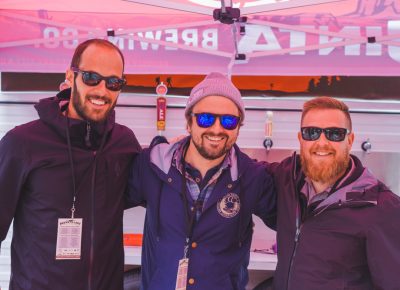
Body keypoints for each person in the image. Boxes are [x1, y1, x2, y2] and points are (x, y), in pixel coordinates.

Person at [0, 39, 141, 290]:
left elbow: (156, 185)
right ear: (70, 75)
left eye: (113, 82)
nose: (102, 90)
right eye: (91, 77)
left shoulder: (123, 143)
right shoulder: (22, 143)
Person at [126, 72, 276, 290]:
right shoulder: (151, 166)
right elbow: (102, 197)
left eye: (228, 120)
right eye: (205, 118)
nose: (216, 129)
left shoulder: (253, 177)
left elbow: (293, 218)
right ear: (189, 122)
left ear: (239, 127)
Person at [268, 96, 400, 290]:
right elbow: (242, 170)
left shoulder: (382, 207)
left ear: (350, 140)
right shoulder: (287, 181)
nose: (322, 142)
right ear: (300, 139)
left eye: (334, 134)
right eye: (311, 132)